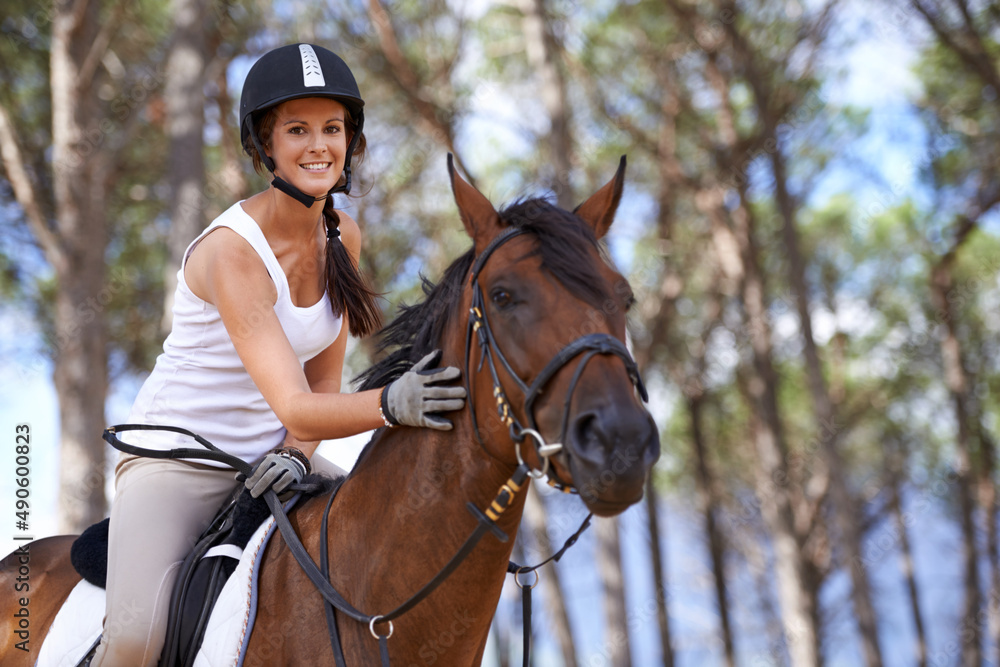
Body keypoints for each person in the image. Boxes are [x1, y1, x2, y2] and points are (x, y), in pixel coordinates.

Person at [90, 43, 466, 667]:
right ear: (264, 146)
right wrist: (392, 405)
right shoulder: (231, 255)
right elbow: (296, 401)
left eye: (332, 128)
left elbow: (319, 387)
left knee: (393, 540)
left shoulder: (343, 234)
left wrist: (295, 454)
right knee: (135, 639)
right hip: (179, 462)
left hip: (275, 460)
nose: (319, 145)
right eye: (297, 130)